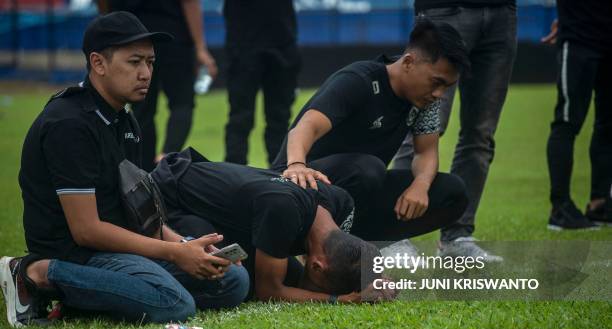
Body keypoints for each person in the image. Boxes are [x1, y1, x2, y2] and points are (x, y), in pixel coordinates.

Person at [0, 12, 248, 328]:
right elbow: (86, 230)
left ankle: (98, 299)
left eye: (150, 63)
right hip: (77, 253)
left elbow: (141, 214)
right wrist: (174, 254)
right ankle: (33, 272)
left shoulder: (124, 120)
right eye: (134, 62)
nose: (146, 73)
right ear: (98, 63)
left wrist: (187, 247)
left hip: (120, 247)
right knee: (174, 305)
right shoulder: (69, 124)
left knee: (234, 280)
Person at [271, 19, 469, 243]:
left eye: (446, 87)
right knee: (367, 169)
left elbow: (426, 152)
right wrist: (297, 165)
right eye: (436, 82)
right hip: (297, 184)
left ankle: (361, 245)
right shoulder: (359, 80)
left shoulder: (424, 101)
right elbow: (305, 127)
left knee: (452, 192)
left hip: (359, 188)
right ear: (408, 62)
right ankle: (325, 247)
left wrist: (420, 186)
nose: (439, 94)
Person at [151, 148, 392, 303]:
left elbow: (353, 256)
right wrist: (339, 299)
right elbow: (270, 292)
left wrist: (377, 275)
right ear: (316, 265)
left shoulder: (342, 203)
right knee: (233, 280)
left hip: (229, 214)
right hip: (170, 199)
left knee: (291, 278)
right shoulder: (283, 211)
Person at [392, 1, 517, 260]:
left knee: (480, 134)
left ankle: (456, 237)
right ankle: (395, 235)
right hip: (445, 9)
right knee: (421, 128)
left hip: (502, 12)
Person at [101, 0, 218, 171]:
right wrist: (200, 47)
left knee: (142, 109)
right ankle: (166, 160)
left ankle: (147, 170)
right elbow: (190, 3)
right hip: (173, 36)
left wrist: (109, 26)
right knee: (181, 103)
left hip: (130, 38)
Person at [542, 0, 612, 230]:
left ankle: (600, 203)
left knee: (607, 124)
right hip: (579, 38)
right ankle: (560, 207)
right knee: (567, 122)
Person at [223, 0, 300, 166]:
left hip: (280, 41)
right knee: (240, 118)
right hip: (244, 44)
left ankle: (281, 173)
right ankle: (233, 175)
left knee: (278, 117)